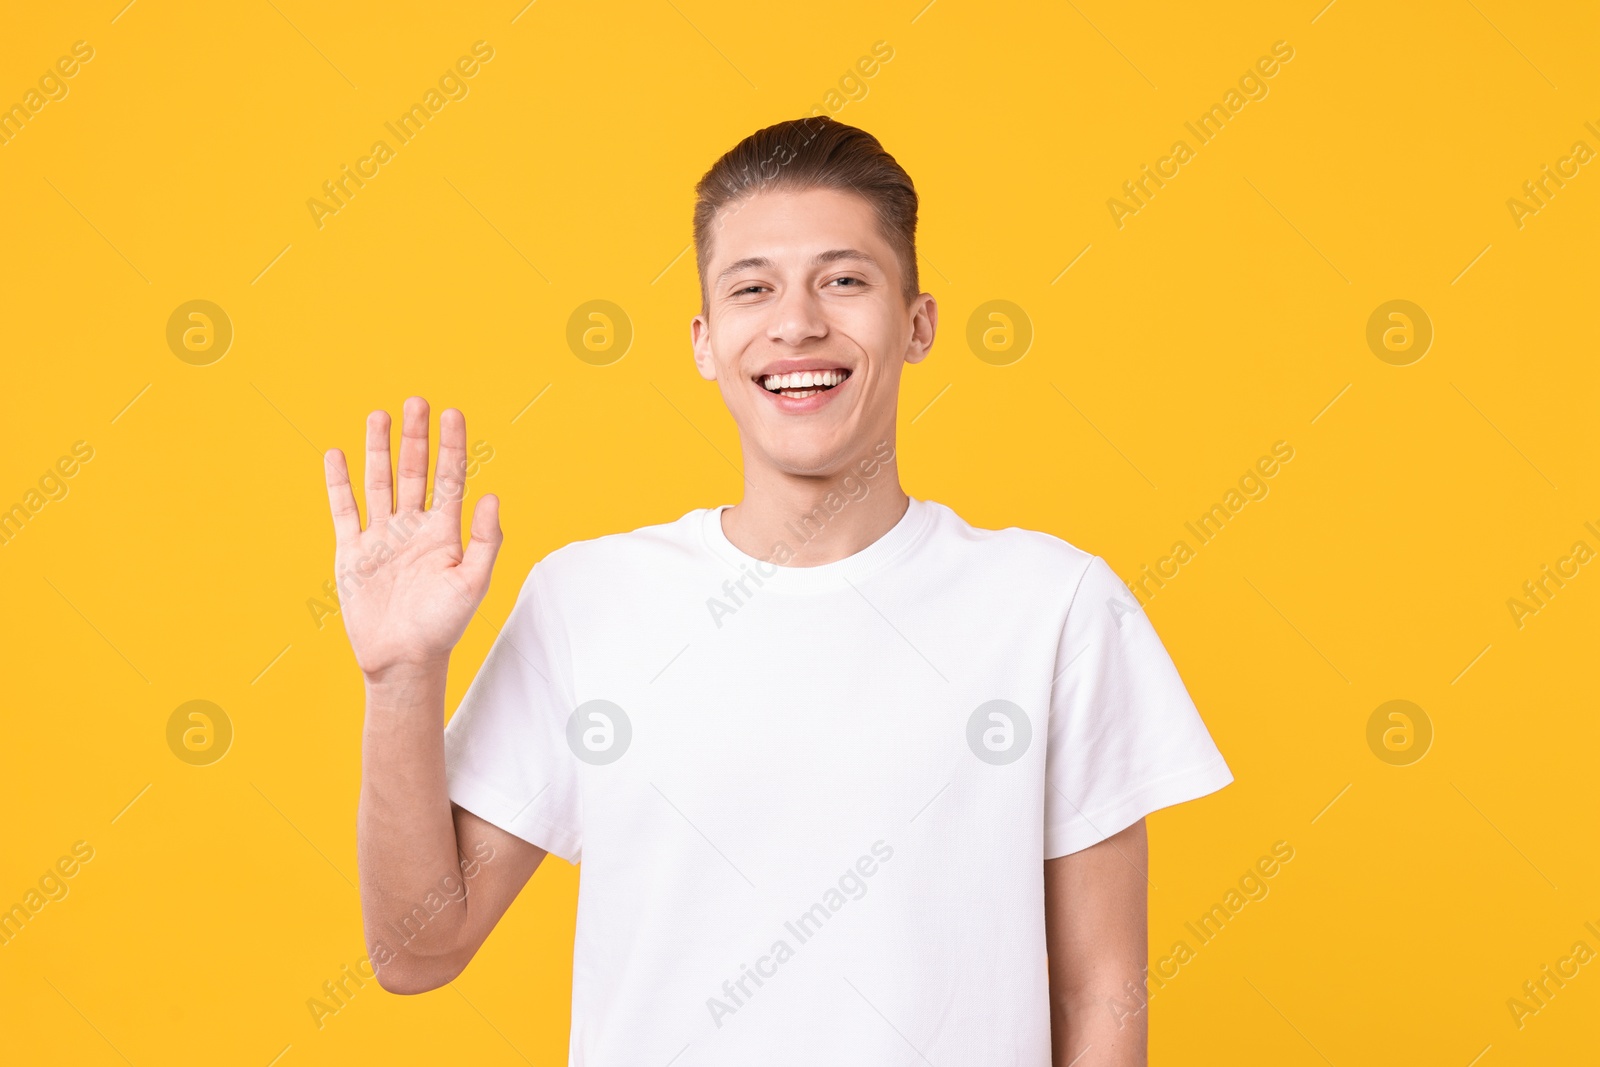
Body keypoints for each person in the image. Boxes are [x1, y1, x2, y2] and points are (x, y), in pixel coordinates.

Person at [321, 115, 1233, 1066]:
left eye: (844, 279)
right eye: (753, 288)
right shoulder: (588, 600)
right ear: (707, 342)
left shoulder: (1054, 606)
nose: (797, 321)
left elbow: (1101, 997)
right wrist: (400, 679)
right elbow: (416, 950)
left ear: (917, 323)